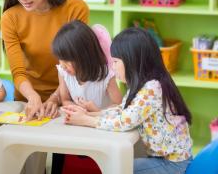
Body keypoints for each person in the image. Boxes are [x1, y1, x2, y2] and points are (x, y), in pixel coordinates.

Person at [62, 28, 193, 174]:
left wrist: (86, 120)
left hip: (173, 164)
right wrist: (91, 114)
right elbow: (123, 110)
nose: (113, 66)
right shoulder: (142, 84)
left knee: (118, 168)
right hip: (164, 159)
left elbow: (124, 121)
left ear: (133, 61)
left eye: (116, 61)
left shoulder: (151, 88)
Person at [1, 0, 90, 121]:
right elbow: (18, 72)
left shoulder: (76, 9)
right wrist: (33, 97)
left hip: (69, 98)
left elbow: (76, 65)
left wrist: (55, 98)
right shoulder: (10, 18)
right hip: (27, 100)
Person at [52, 20, 122, 112]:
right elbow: (65, 100)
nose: (62, 65)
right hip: (80, 122)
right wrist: (78, 109)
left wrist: (96, 111)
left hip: (100, 121)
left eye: (67, 60)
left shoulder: (106, 75)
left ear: (84, 57)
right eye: (60, 59)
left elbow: (119, 105)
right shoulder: (63, 72)